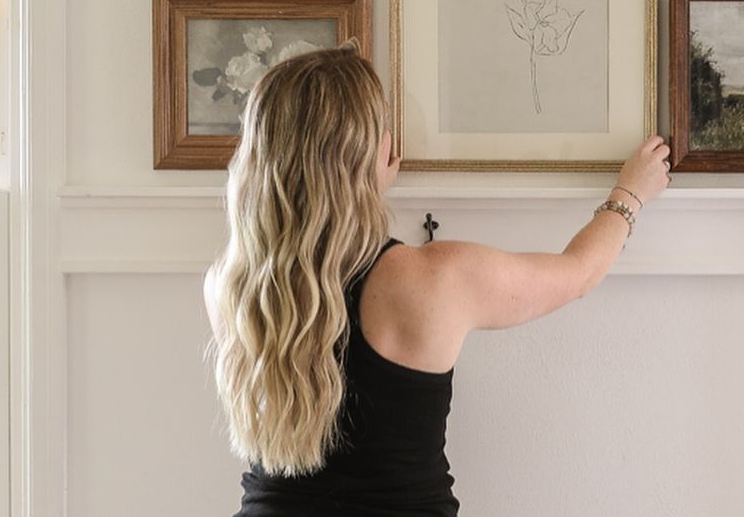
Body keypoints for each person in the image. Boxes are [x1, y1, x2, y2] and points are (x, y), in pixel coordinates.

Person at [202, 44, 670, 516]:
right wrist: (631, 192)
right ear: (366, 153)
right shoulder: (431, 280)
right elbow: (579, 273)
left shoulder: (229, 286)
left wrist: (367, 181)